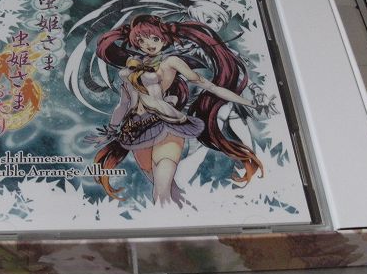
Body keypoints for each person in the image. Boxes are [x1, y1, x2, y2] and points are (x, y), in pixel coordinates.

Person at [88, 14, 265, 207]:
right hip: (136, 132)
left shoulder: (171, 61)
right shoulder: (132, 67)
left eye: (154, 38)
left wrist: (250, 103)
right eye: (141, 40)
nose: (149, 44)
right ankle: (185, 214)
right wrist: (111, 130)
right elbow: (123, 104)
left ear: (164, 38)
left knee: (161, 192)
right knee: (168, 191)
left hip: (166, 127)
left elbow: (211, 87)